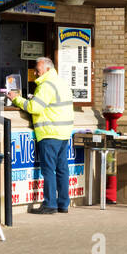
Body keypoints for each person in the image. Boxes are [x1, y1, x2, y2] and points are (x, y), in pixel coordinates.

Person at [8, 56, 75, 214]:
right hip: (64, 133)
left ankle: (50, 204)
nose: (36, 74)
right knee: (62, 169)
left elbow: (34, 108)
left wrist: (17, 99)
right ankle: (63, 204)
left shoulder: (46, 85)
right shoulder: (61, 83)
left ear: (47, 69)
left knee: (48, 170)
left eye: (38, 71)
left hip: (49, 133)